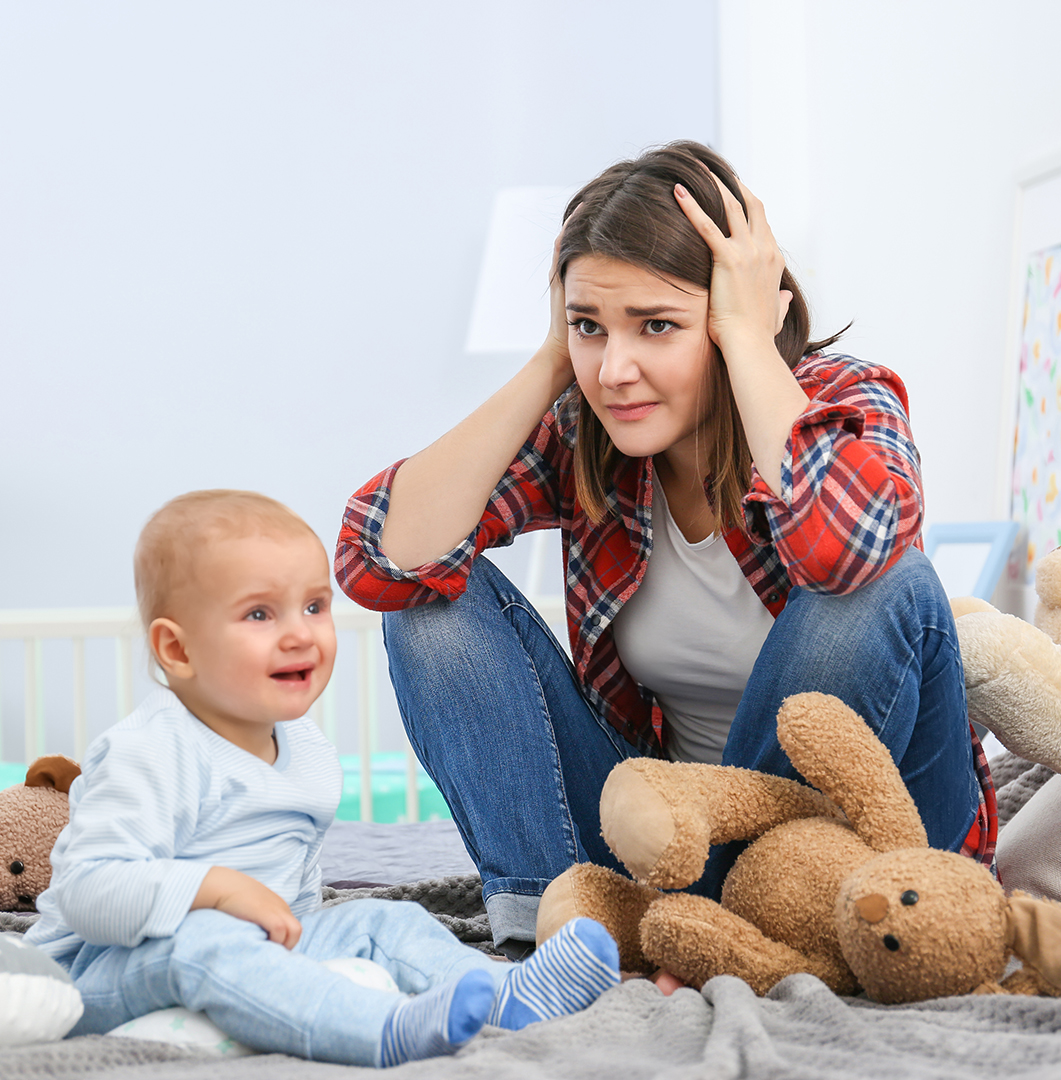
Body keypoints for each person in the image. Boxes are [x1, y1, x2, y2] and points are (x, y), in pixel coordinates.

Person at [336, 141, 996, 959]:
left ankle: (751, 929)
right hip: (663, 846)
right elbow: (381, 560)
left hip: (842, 860)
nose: (616, 369)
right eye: (590, 327)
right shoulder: (592, 432)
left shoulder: (846, 396)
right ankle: (556, 930)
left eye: (658, 325)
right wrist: (550, 362)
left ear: (731, 315)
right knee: (429, 605)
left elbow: (849, 558)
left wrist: (750, 344)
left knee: (887, 584)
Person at [25, 490, 620, 1067]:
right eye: (259, 613)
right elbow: (87, 892)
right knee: (205, 943)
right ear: (177, 651)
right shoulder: (148, 752)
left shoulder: (305, 749)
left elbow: (294, 878)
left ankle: (503, 994)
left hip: (257, 945)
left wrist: (305, 939)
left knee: (386, 921)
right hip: (102, 969)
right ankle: (383, 1030)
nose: (299, 632)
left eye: (314, 607)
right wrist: (217, 889)